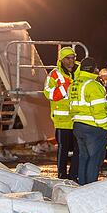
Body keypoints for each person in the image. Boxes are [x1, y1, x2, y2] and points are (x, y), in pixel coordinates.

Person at [69, 57, 107, 185]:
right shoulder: (93, 85)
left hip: (78, 125)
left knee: (83, 158)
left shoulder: (74, 84)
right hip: (94, 127)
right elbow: (99, 109)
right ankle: (91, 187)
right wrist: (105, 126)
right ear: (93, 69)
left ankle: (83, 187)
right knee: (94, 160)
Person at [43, 47, 78, 180]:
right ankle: (62, 175)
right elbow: (49, 94)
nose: (71, 61)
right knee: (63, 150)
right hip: (62, 120)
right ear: (61, 60)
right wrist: (65, 87)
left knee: (77, 149)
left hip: (78, 117)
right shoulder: (54, 74)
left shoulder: (80, 71)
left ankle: (74, 174)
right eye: (68, 58)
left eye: (73, 58)